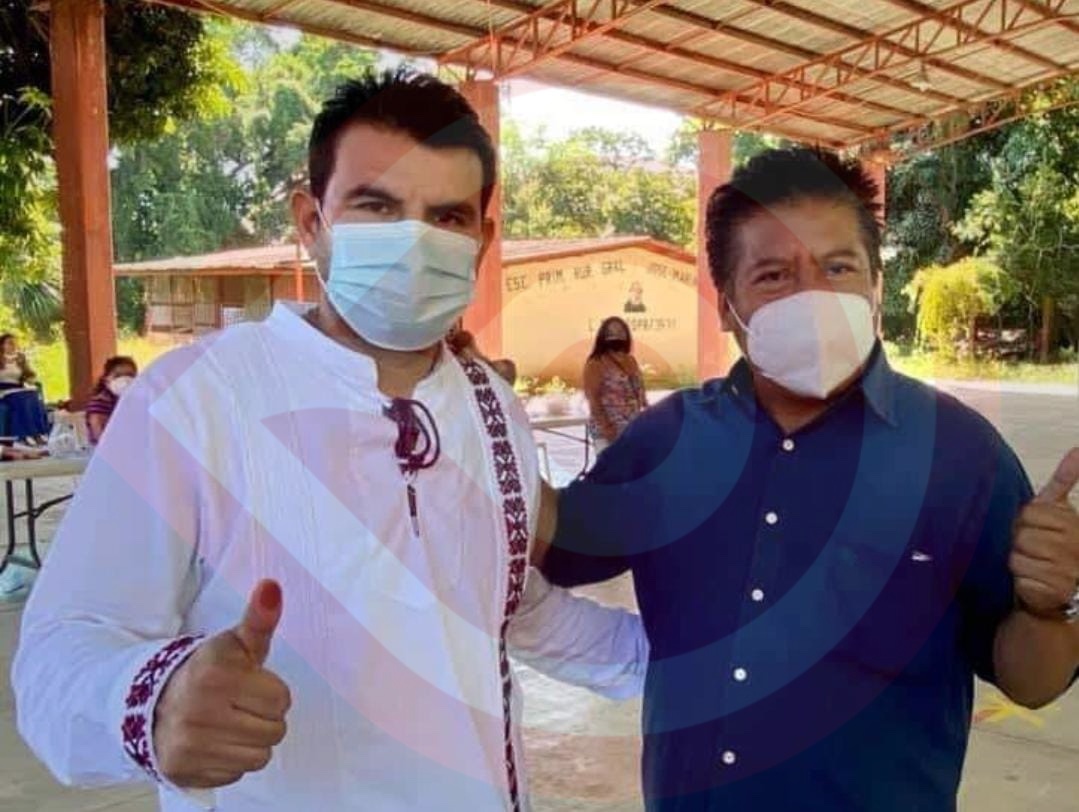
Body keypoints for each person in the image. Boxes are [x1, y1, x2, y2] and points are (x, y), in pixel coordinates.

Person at [13, 70, 647, 812]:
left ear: (481, 238)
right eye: (377, 207)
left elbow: (505, 605)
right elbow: (61, 651)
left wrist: (688, 659)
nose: (413, 242)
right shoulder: (197, 397)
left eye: (446, 216)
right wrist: (152, 702)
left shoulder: (490, 407)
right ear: (311, 221)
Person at [536, 148, 1079, 811]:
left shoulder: (961, 456)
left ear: (875, 286)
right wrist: (476, 429)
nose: (812, 297)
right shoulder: (667, 442)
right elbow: (553, 546)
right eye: (773, 275)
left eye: (838, 268)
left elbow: (1032, 682)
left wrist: (1048, 607)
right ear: (726, 306)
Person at [583, 316, 648, 453]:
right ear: (603, 336)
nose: (616, 335)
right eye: (611, 332)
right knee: (614, 466)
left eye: (620, 331)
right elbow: (593, 399)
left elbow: (639, 392)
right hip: (609, 432)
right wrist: (607, 429)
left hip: (633, 429)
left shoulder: (630, 360)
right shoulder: (596, 363)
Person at [0, 333, 50, 443]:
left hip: (18, 388)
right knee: (21, 398)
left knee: (33, 396)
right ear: (2, 345)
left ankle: (38, 434)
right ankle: (23, 436)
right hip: (3, 391)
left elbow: (29, 374)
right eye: (10, 343)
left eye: (15, 343)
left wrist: (29, 377)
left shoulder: (20, 359)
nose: (13, 346)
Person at [85, 355, 138, 445]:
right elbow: (98, 431)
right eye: (118, 376)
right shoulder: (100, 402)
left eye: (130, 375)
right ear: (106, 380)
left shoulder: (135, 400)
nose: (124, 380)